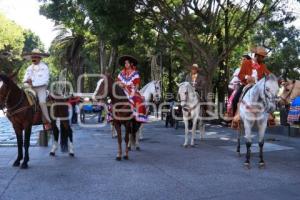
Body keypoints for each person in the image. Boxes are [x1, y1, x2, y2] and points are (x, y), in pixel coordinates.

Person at [22, 49, 52, 130]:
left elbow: (45, 80)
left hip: (41, 88)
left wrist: (33, 83)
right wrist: (27, 83)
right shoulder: (28, 68)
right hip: (30, 88)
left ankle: (47, 120)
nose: (34, 58)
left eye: (35, 57)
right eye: (33, 57)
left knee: (42, 102)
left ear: (39, 58)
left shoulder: (44, 67)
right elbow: (24, 80)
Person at [116, 55, 147, 122]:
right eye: (125, 63)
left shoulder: (135, 73)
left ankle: (139, 117)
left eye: (127, 63)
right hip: (122, 90)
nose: (126, 64)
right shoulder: (121, 73)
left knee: (139, 100)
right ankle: (112, 116)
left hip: (132, 90)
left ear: (131, 64)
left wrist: (134, 91)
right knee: (112, 100)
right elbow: (118, 82)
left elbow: (137, 84)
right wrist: (120, 84)